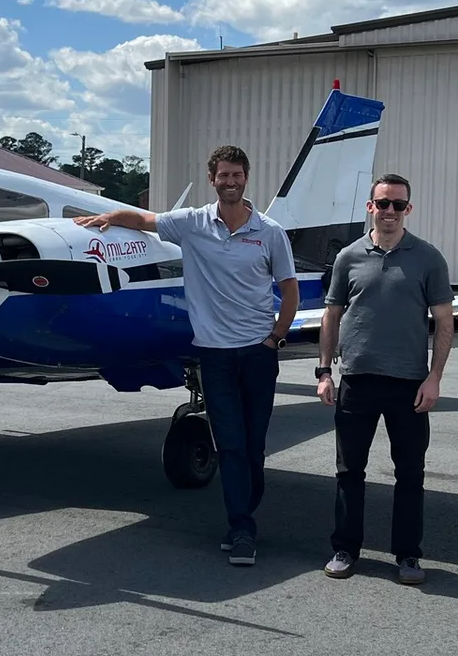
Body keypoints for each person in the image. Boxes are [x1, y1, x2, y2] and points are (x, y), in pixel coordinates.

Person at [76, 145, 298, 567]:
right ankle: (242, 527)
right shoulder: (192, 223)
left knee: (253, 448)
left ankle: (245, 511)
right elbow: (145, 219)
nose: (230, 182)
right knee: (229, 445)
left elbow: (289, 289)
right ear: (212, 179)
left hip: (257, 353)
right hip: (214, 355)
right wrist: (109, 218)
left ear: (246, 178)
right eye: (223, 175)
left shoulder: (269, 232)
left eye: (237, 175)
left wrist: (276, 338)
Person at [315, 173, 454, 586]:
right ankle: (345, 548)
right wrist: (325, 371)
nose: (389, 211)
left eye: (398, 204)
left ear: (408, 209)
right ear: (369, 207)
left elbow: (445, 322)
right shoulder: (348, 257)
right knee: (348, 471)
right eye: (382, 203)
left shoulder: (428, 258)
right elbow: (332, 315)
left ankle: (408, 556)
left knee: (410, 474)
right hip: (357, 379)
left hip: (408, 384)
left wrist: (434, 378)